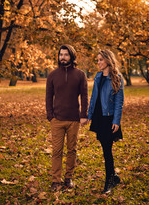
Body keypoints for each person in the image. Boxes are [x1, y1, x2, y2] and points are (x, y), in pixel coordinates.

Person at [46, 44, 88, 191]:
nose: (62, 57)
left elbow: (84, 96)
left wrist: (83, 115)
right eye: (61, 54)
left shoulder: (80, 74)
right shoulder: (52, 75)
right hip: (57, 119)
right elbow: (48, 97)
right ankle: (55, 181)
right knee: (57, 151)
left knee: (72, 150)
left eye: (66, 54)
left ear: (71, 56)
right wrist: (50, 115)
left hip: (74, 120)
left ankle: (68, 178)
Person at [87, 49, 124, 194]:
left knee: (107, 150)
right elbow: (94, 97)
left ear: (108, 60)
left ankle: (110, 179)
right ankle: (113, 176)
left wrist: (116, 120)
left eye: (100, 60)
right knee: (105, 148)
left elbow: (119, 101)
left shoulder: (117, 77)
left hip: (109, 118)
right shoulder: (98, 76)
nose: (98, 63)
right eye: (97, 60)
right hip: (98, 117)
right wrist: (89, 114)